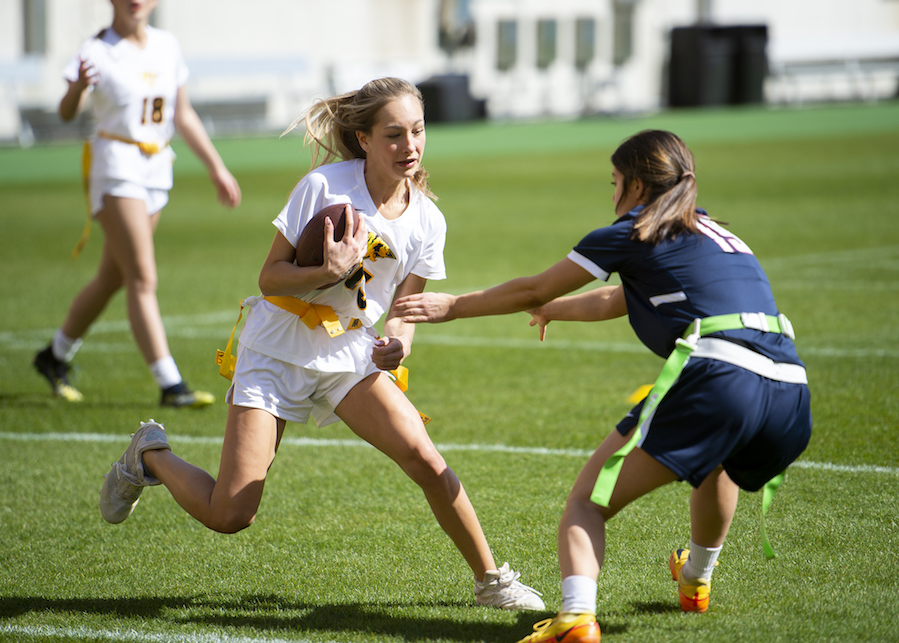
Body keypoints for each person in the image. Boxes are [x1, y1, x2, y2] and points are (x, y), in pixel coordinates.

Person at [98, 77, 544, 611]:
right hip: (275, 350)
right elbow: (269, 278)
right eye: (394, 135)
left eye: (418, 132)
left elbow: (404, 313)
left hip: (349, 356)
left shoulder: (429, 220)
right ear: (364, 140)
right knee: (231, 514)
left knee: (426, 458)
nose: (410, 146)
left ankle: (492, 582)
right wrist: (325, 271)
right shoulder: (323, 188)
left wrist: (398, 346)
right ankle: (151, 454)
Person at [395, 129, 812, 643]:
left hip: (722, 374)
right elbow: (619, 300)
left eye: (614, 181)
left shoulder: (628, 233)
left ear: (636, 185)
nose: (612, 192)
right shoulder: (715, 234)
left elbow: (533, 285)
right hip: (790, 386)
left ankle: (575, 618)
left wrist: (453, 305)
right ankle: (695, 579)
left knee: (587, 504)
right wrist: (553, 311)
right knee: (717, 462)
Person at [33, 0, 241, 407]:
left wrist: (216, 167)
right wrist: (75, 88)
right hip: (115, 168)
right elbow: (65, 112)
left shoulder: (166, 44)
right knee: (142, 277)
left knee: (113, 277)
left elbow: (182, 113)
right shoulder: (96, 49)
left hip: (156, 169)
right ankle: (170, 384)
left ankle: (52, 356)